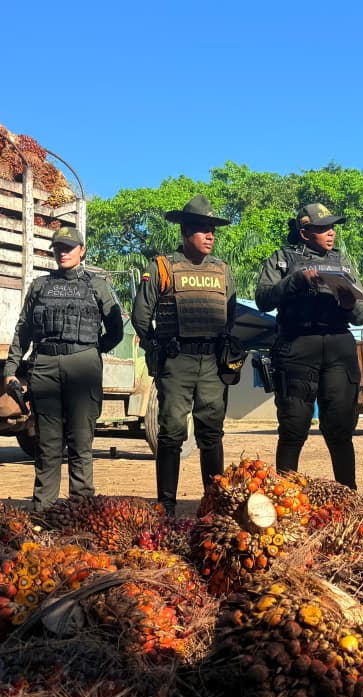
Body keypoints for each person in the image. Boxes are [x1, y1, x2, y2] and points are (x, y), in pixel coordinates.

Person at [3, 226, 124, 511]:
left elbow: (116, 330)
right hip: (45, 366)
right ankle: (43, 510)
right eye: (58, 247)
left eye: (69, 247)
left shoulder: (97, 285)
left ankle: (81, 510)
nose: (63, 252)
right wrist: (11, 369)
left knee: (81, 441)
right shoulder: (40, 286)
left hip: (83, 366)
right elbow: (23, 330)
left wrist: (92, 351)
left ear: (82, 250)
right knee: (47, 444)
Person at [131, 195, 237, 515]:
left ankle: (213, 506)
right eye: (204, 229)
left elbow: (230, 315)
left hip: (212, 363)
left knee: (211, 433)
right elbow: (140, 316)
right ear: (186, 231)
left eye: (213, 230)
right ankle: (166, 507)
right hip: (177, 361)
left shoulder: (222, 270)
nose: (210, 236)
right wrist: (157, 347)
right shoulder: (163, 267)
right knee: (172, 433)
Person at [254, 203, 363, 489]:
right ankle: (285, 497)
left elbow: (362, 315)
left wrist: (350, 305)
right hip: (296, 349)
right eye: (323, 228)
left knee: (340, 429)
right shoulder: (282, 259)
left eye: (332, 227)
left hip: (338, 349)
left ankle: (347, 496)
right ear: (305, 233)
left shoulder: (343, 263)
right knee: (293, 427)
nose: (331, 233)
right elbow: (263, 299)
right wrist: (294, 281)